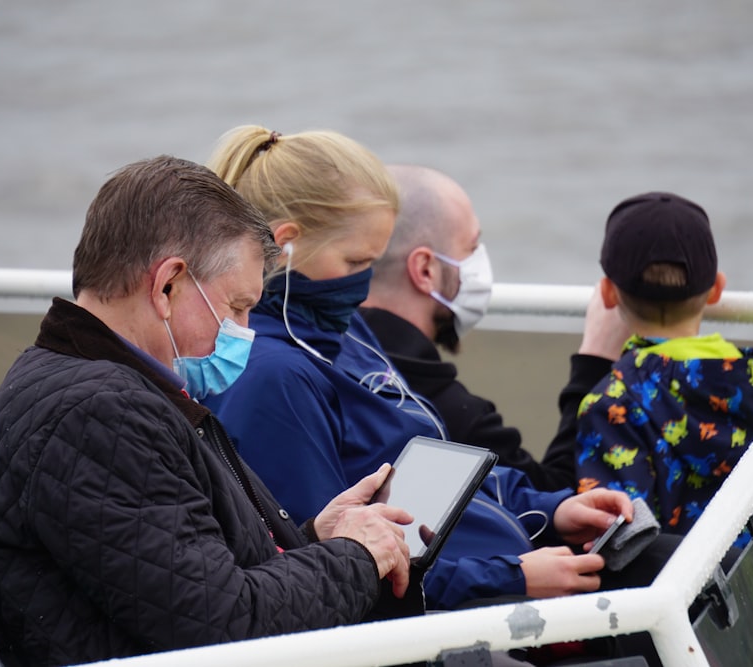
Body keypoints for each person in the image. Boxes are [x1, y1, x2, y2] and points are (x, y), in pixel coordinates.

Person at [0, 156, 415, 667]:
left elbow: (177, 586)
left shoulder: (65, 377)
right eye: (237, 307)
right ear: (168, 285)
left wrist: (316, 540)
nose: (245, 330)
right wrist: (356, 555)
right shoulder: (101, 416)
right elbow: (230, 635)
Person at [201, 125, 642, 618]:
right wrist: (511, 578)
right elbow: (325, 568)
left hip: (503, 570)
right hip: (455, 613)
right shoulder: (273, 379)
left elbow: (438, 474)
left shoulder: (343, 332)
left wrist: (553, 510)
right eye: (356, 260)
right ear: (286, 245)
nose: (365, 281)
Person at [357, 164, 629, 491]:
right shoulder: (445, 412)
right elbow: (554, 500)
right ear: (425, 270)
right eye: (471, 248)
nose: (479, 262)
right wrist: (596, 363)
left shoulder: (324, 352)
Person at [575, 192, 753, 546]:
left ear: (608, 294)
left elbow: (615, 536)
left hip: (681, 591)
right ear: (716, 289)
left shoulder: (610, 402)